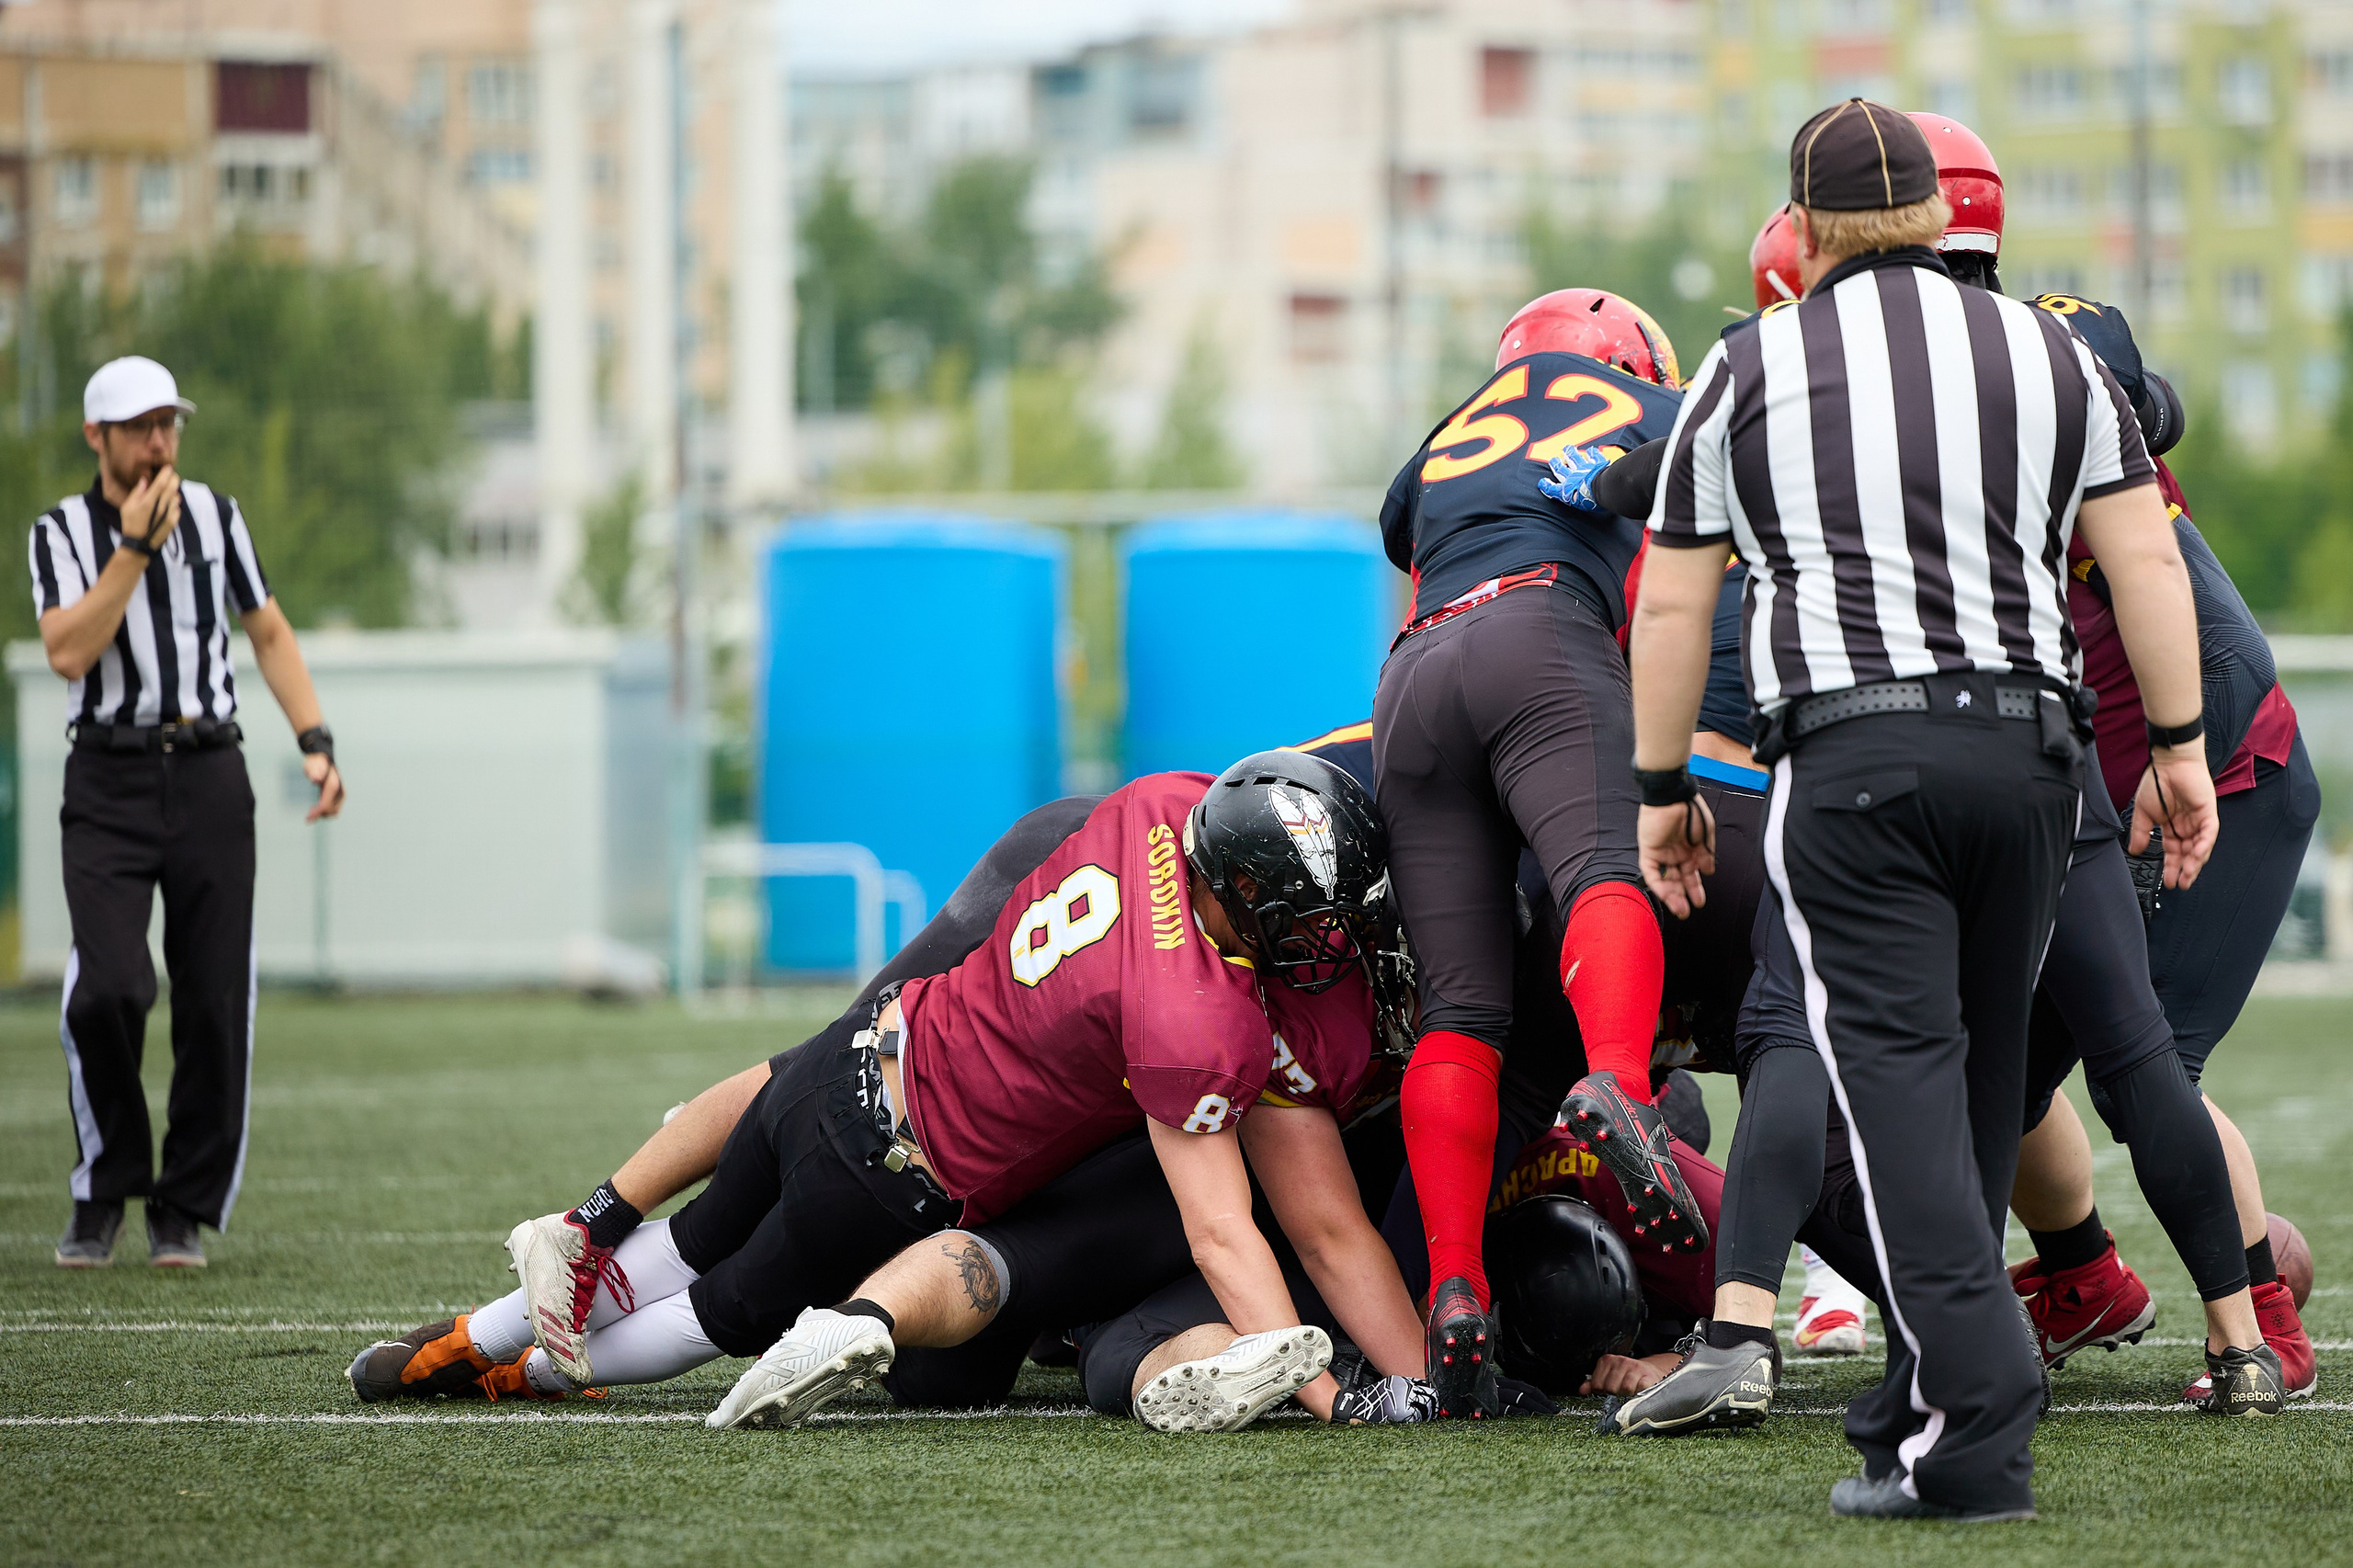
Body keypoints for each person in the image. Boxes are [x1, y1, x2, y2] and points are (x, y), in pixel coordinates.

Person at [1628, 99, 2222, 1520]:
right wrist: (2183, 745)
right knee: (1971, 1077)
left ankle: (1972, 1415)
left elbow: (1671, 595)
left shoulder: (1749, 362)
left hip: (1857, 758)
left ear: (1810, 225)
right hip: (2033, 758)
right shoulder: (2053, 348)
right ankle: (1916, 1383)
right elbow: (2143, 552)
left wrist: (1658, 788)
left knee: (1890, 1080)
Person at [353, 755, 1414, 1428]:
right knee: (712, 1314)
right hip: (892, 1175)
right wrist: (1316, 1382)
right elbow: (1225, 1233)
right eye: (1310, 914)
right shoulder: (1197, 1018)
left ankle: (480, 1322)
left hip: (853, 1052)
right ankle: (525, 1373)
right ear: (1244, 890)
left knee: (681, 1242)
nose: (1325, 940)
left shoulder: (1159, 805)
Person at [1373, 287, 1700, 1418]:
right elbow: (1669, 578)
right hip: (1539, 631)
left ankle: (1456, 1285)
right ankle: (1620, 1088)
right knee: (1608, 869)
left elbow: (1410, 548)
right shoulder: (1653, 399)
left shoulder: (1444, 437)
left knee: (1459, 1010)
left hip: (1415, 672)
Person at [40, 355, 346, 1271]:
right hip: (107, 778)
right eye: (138, 426)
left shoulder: (216, 515)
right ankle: (105, 1184)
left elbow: (268, 630)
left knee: (214, 997)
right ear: (97, 436)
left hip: (210, 769)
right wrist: (131, 548)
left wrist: (315, 737)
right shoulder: (60, 531)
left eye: (168, 422)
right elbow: (68, 649)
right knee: (110, 986)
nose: (159, 441)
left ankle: (182, 1203)